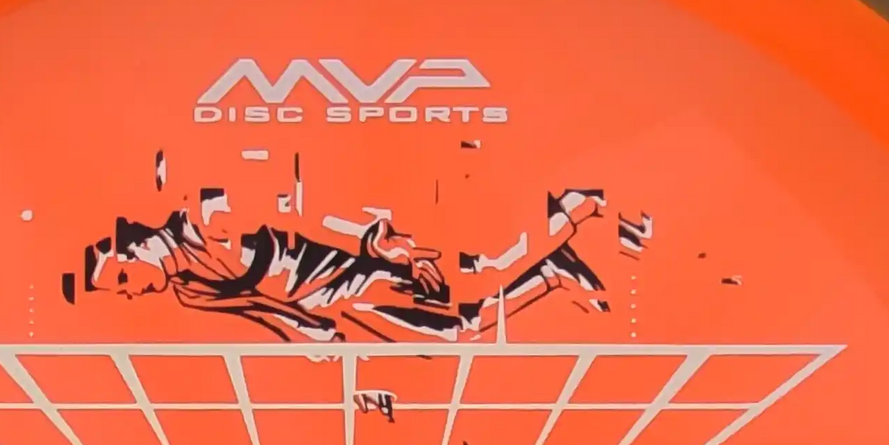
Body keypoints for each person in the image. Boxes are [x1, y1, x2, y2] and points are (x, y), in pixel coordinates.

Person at [79, 187, 612, 343]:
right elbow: (262, 309)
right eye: (120, 292)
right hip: (335, 301)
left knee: (481, 278)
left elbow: (298, 209)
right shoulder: (188, 290)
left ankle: (575, 207)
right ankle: (551, 270)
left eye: (122, 279)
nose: (130, 292)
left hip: (357, 262)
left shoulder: (209, 216)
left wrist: (373, 240)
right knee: (457, 336)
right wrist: (313, 336)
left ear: (135, 247)